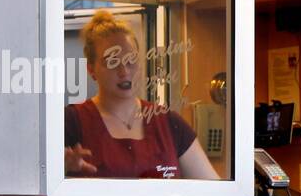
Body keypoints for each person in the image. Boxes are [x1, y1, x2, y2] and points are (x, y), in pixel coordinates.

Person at [64, 10, 219, 180]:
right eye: (112, 62)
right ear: (91, 70)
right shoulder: (71, 122)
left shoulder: (169, 123)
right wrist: (61, 169)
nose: (124, 71)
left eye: (130, 60)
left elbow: (214, 193)